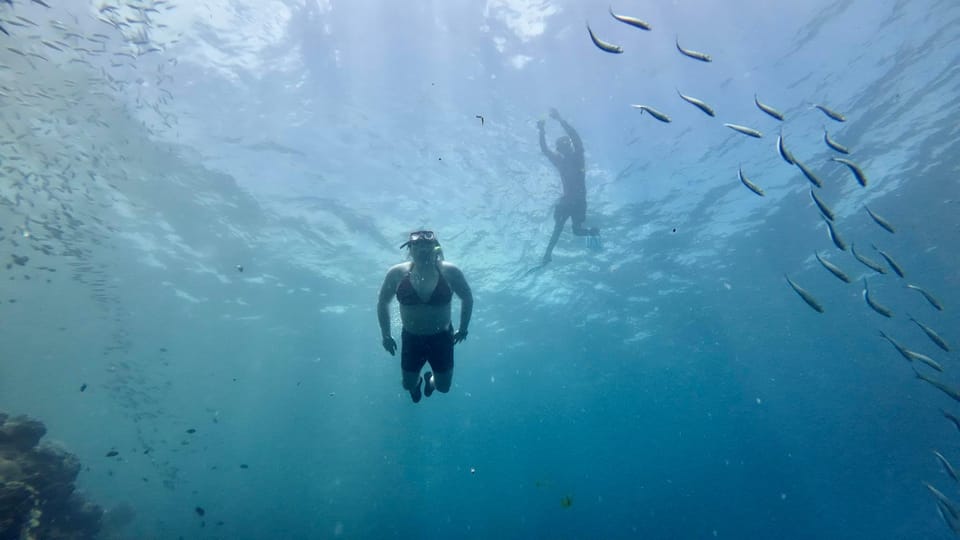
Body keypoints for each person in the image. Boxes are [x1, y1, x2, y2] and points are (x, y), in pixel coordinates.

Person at [377, 230, 473, 403]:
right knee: (407, 385)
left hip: (442, 338)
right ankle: (417, 383)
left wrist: (464, 328)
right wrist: (385, 334)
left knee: (443, 387)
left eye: (427, 245)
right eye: (417, 246)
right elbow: (383, 301)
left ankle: (429, 381)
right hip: (412, 338)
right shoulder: (396, 273)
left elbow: (467, 297)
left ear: (435, 248)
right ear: (410, 249)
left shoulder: (450, 271)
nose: (422, 250)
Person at [537, 108, 601, 265]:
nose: (565, 148)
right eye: (562, 146)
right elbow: (545, 150)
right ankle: (547, 255)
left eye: (566, 145)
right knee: (559, 228)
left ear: (569, 146)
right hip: (570, 201)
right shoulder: (561, 161)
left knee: (576, 230)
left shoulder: (577, 156)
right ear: (561, 149)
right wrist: (542, 130)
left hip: (577, 201)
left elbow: (575, 137)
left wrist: (559, 120)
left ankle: (590, 233)